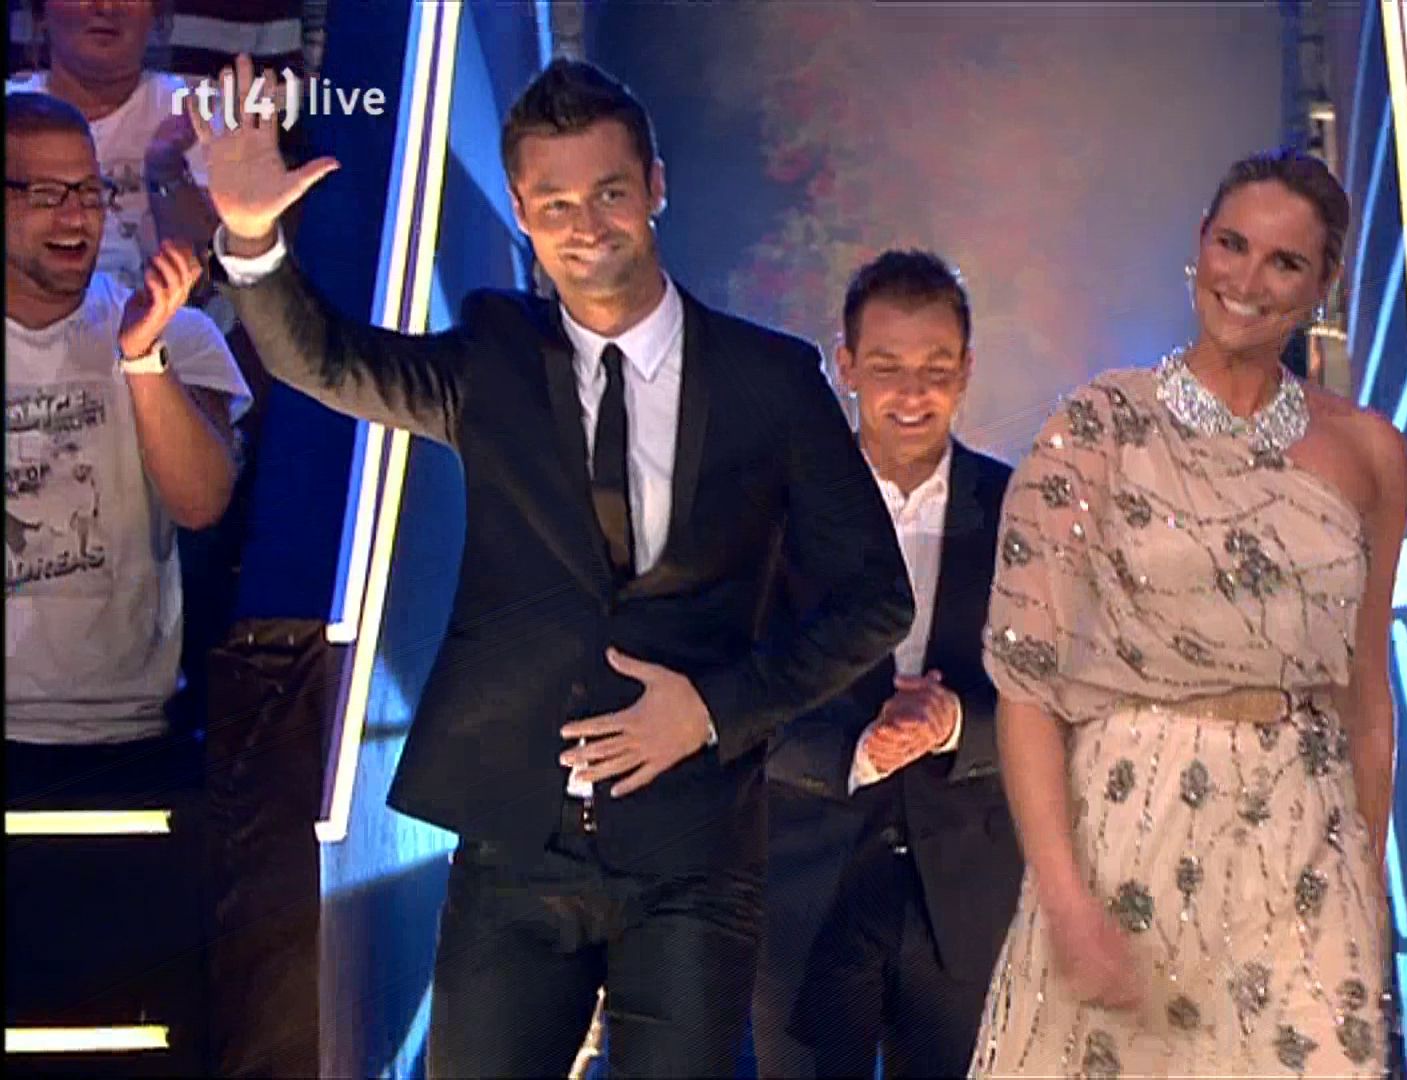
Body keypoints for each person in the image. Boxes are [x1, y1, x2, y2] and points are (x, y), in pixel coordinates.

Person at [192, 55, 913, 1076]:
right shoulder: (491, 353)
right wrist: (252, 242)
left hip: (694, 854)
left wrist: (715, 710)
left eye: (610, 193)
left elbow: (876, 599)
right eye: (555, 204)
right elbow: (328, 361)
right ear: (524, 213)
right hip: (514, 846)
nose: (586, 225)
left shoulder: (771, 378)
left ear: (655, 186)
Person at [966, 149, 1407, 1078]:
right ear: (1200, 246)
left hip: (1306, 838)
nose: (1247, 280)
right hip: (1129, 833)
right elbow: (1027, 690)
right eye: (1232, 245)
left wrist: (1366, 881)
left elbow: (1367, 690)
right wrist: (1065, 899)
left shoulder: (1370, 451)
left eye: (1285, 262)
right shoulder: (1098, 426)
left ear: (1324, 284)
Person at [755, 251, 1024, 1078]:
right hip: (807, 877)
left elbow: (1061, 695)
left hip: (970, 895)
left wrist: (957, 724)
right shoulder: (776, 509)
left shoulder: (1023, 511)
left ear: (967, 370)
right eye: (886, 368)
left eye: (936, 370)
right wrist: (854, 750)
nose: (913, 394)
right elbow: (731, 689)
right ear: (846, 367)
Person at [5, 89, 249, 799]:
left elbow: (202, 503)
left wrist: (142, 358)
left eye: (90, 191)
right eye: (47, 194)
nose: (76, 216)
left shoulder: (176, 331)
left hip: (126, 742)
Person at [7, 1, 218, 300]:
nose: (105, 7)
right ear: (41, 12)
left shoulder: (196, 113)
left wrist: (167, 172)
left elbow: (212, 280)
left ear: (155, 12)